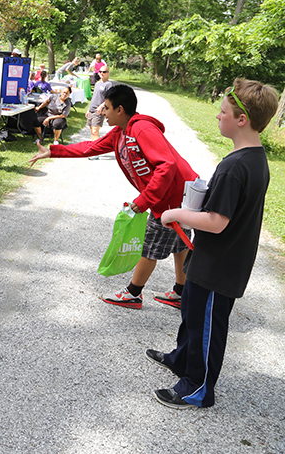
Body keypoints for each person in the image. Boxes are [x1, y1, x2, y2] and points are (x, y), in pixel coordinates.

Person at [150, 78, 279, 409]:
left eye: (222, 111)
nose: (217, 116)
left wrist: (175, 213)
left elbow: (217, 222)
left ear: (242, 119)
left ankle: (198, 388)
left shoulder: (235, 167)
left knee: (207, 326)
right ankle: (181, 360)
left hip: (219, 268)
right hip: (211, 261)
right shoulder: (252, 158)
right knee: (192, 314)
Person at [29, 84, 198, 309]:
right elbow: (90, 148)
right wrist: (54, 151)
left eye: (106, 108)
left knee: (150, 246)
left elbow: (166, 166)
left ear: (120, 109)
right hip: (170, 196)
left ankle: (133, 294)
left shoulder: (142, 129)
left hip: (171, 198)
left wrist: (143, 202)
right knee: (179, 242)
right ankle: (181, 292)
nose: (102, 112)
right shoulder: (121, 133)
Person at [87, 65, 113, 144]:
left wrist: (101, 106)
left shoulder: (108, 85)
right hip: (92, 109)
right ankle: (92, 148)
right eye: (100, 71)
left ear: (108, 73)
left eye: (104, 72)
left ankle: (96, 151)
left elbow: (109, 99)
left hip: (98, 111)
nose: (102, 73)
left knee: (95, 131)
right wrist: (88, 109)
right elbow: (94, 97)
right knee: (92, 131)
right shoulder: (97, 83)